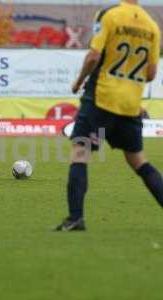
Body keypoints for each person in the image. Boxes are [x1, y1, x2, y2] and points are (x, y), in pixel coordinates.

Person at [55, 0, 162, 231]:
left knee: (80, 153)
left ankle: (76, 218)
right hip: (131, 104)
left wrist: (79, 81)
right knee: (138, 160)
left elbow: (94, 56)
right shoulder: (152, 26)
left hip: (101, 97)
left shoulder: (110, 16)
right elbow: (151, 73)